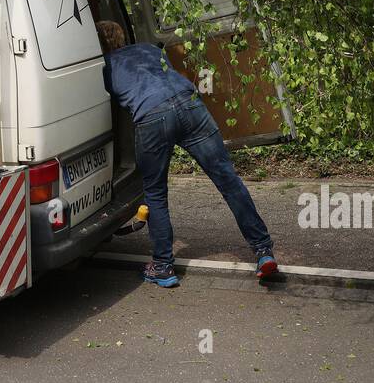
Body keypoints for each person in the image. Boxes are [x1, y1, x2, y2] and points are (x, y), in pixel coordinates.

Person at [97, 20, 278, 288]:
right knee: (228, 180)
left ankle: (163, 266)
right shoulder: (149, 49)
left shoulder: (104, 68)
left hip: (152, 117)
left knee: (156, 192)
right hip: (190, 105)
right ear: (123, 36)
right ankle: (263, 251)